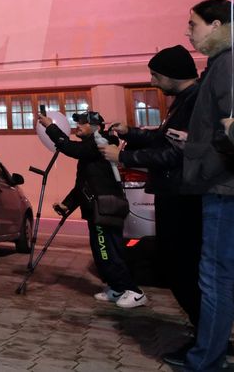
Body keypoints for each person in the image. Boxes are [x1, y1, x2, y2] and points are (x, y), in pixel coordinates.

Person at [97, 45, 202, 365]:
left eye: (155, 75)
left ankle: (207, 339)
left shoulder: (195, 103)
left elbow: (178, 153)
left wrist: (124, 156)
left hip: (185, 196)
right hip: (174, 193)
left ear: (171, 74)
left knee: (184, 269)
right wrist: (132, 133)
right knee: (176, 266)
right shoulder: (182, 101)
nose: (152, 80)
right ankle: (204, 335)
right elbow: (163, 138)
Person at [41, 110, 146, 308]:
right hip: (97, 207)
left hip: (105, 207)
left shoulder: (101, 143)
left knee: (108, 250)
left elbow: (71, 149)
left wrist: (50, 127)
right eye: (78, 122)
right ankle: (117, 288)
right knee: (102, 251)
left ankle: (133, 291)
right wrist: (68, 204)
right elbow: (85, 184)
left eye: (83, 122)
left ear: (96, 126)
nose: (78, 125)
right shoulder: (92, 147)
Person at [181, 0, 233, 372]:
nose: (190, 32)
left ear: (216, 25)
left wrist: (206, 161)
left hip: (223, 187)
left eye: (194, 24)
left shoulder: (228, 63)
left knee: (215, 278)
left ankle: (206, 361)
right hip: (219, 182)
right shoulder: (219, 64)